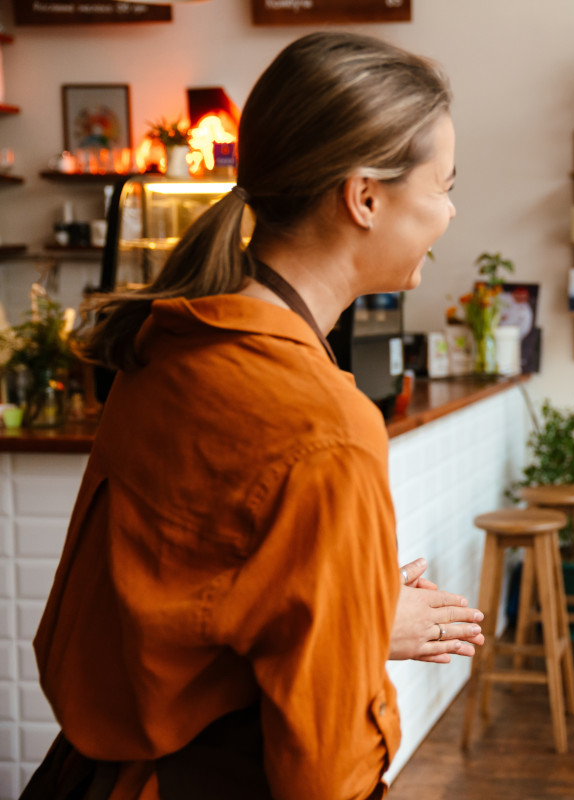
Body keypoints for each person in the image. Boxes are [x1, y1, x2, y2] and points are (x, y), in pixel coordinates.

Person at [26, 32, 483, 800]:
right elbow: (326, 767)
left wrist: (354, 616)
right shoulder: (327, 424)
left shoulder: (168, 345)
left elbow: (167, 617)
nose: (449, 210)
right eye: (442, 184)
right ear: (364, 197)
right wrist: (355, 627)